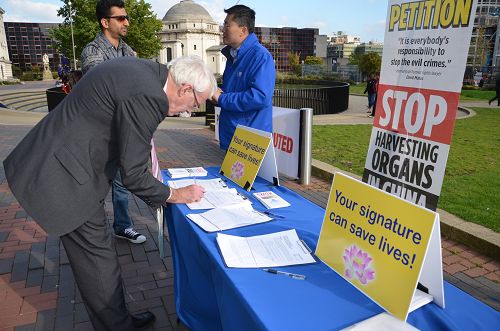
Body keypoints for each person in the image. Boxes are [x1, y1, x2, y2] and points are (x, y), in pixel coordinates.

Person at [3, 55, 216, 330]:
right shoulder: (149, 95)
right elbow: (135, 174)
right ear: (186, 89)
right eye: (195, 104)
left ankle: (118, 320)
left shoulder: (148, 72)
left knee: (99, 256)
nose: (189, 112)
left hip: (65, 161)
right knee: (97, 261)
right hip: (65, 176)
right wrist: (175, 195)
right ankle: (117, 326)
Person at [81, 0, 144, 244]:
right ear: (105, 22)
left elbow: (137, 86)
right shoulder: (92, 51)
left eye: (126, 17)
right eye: (120, 18)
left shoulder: (128, 51)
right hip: (98, 131)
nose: (127, 22)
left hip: (123, 129)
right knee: (94, 183)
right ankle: (88, 231)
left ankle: (122, 226)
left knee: (121, 182)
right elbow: (104, 87)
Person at [211, 4, 276, 150]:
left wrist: (221, 98)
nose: (223, 30)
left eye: (227, 25)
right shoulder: (232, 55)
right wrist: (215, 93)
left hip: (249, 141)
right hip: (233, 134)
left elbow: (260, 96)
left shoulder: (260, 56)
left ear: (243, 30)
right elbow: (234, 90)